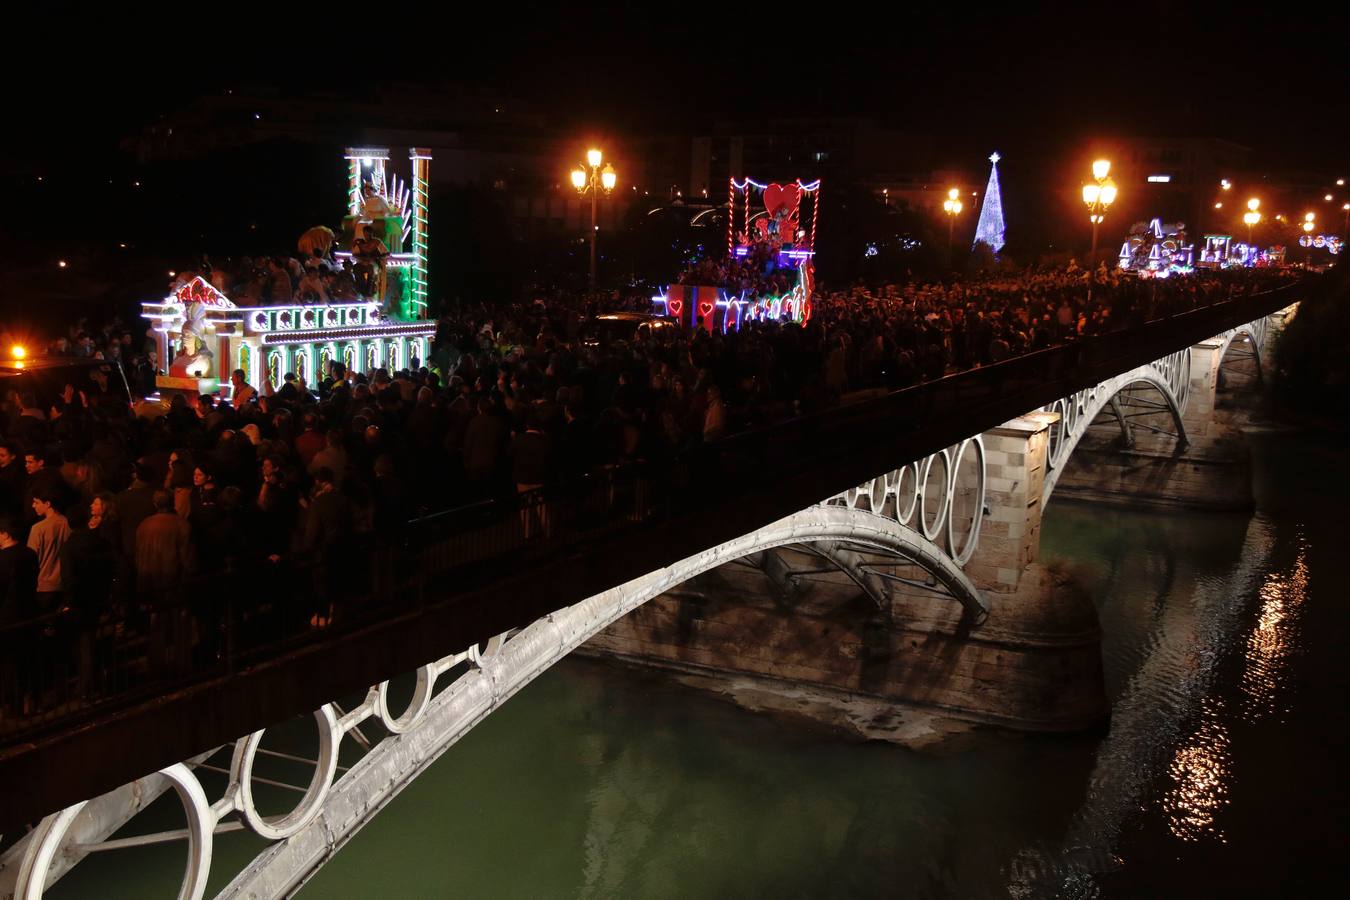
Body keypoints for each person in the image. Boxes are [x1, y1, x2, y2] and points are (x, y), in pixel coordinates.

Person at [27, 487, 71, 611]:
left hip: (43, 585)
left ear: (47, 504)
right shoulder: (68, 524)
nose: (33, 505)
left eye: (36, 502)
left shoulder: (38, 529)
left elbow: (31, 559)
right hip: (63, 584)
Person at [0, 515, 38, 623]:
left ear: (6, 535)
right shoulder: (30, 553)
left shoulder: (3, 557)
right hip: (29, 609)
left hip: (7, 613)